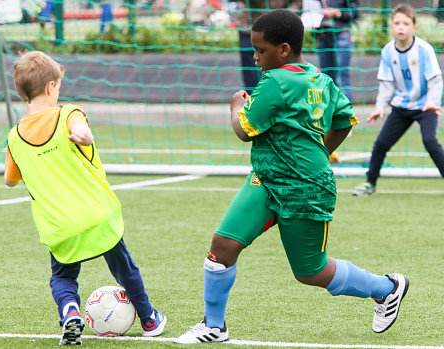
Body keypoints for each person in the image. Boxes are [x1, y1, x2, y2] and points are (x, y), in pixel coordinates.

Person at [175, 9, 409, 344]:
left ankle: (387, 288)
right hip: (267, 179)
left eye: (261, 50)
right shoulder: (320, 78)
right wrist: (323, 152)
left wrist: (235, 106)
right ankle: (214, 325)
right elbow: (344, 119)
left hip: (305, 187)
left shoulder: (275, 81)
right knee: (222, 246)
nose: (254, 57)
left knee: (310, 271)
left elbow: (244, 130)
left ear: (283, 50)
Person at [4, 51, 167, 346]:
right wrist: (83, 136)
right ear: (52, 87)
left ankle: (69, 313)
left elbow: (10, 180)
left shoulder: (14, 137)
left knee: (63, 277)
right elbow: (82, 132)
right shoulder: (69, 114)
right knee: (125, 270)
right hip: (97, 215)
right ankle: (149, 319)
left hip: (60, 226)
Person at [353, 3, 444, 196]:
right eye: (397, 23)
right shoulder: (388, 51)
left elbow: (436, 80)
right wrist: (380, 107)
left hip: (425, 106)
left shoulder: (424, 50)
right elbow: (386, 84)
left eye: (406, 23)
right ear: (391, 26)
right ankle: (370, 183)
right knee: (381, 144)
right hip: (401, 106)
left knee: (430, 141)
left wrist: (433, 103)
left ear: (414, 27)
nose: (401, 27)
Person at [234, 0, 299, 94]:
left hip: (279, 29)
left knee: (281, 72)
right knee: (252, 74)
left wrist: (285, 18)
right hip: (250, 26)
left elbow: (297, 3)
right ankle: (254, 104)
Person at [315, 0, 359, 102]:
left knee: (342, 76)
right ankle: (330, 113)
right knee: (326, 77)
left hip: (341, 34)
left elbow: (354, 12)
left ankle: (346, 115)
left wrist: (337, 13)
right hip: (323, 36)